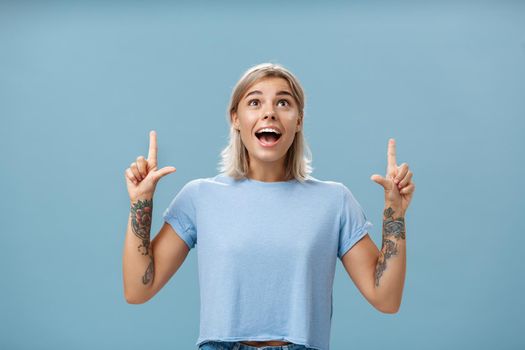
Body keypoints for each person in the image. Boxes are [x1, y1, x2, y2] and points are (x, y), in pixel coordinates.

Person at [122, 63, 415, 350]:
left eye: (283, 102)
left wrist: (395, 217)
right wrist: (140, 203)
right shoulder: (199, 197)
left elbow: (386, 299)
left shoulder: (334, 201)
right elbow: (138, 289)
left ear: (298, 120)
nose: (269, 112)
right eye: (255, 102)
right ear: (235, 118)